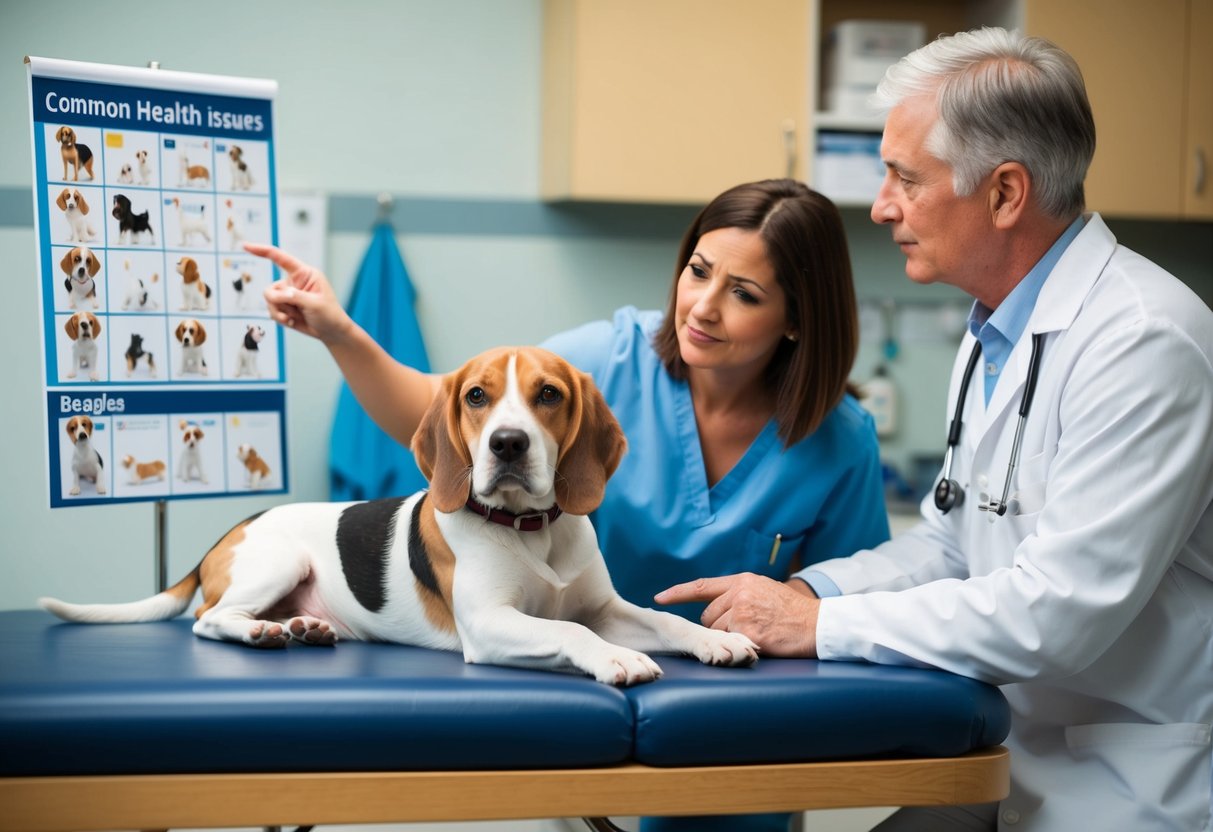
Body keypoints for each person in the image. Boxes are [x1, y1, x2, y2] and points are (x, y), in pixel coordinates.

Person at [657, 27, 1213, 832]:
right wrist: (807, 590)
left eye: (903, 178)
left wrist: (821, 626)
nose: (881, 206)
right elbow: (951, 545)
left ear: (1004, 194)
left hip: (1126, 784)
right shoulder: (995, 329)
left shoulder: (1142, 340)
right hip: (1005, 758)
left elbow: (1054, 613)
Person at [247, 178, 890, 832]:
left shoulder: (839, 441)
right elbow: (439, 412)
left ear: (797, 319)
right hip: (591, 692)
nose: (701, 307)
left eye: (743, 294)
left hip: (736, 725)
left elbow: (844, 605)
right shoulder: (604, 362)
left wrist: (802, 609)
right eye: (697, 272)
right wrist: (337, 332)